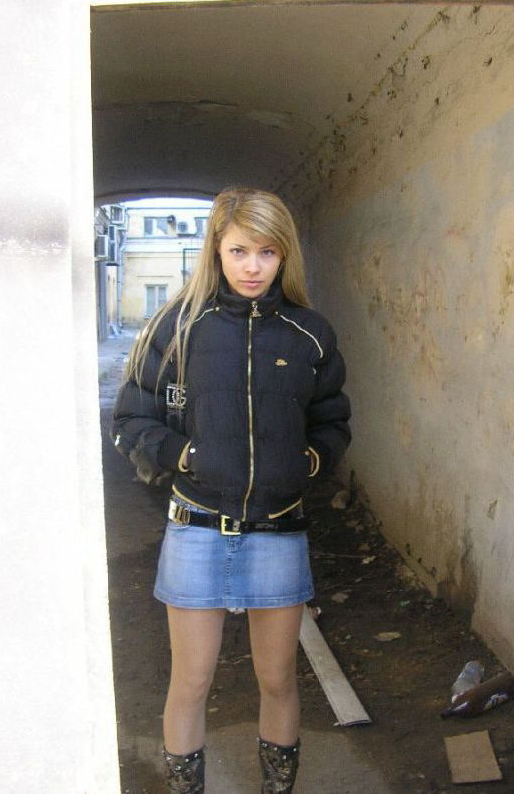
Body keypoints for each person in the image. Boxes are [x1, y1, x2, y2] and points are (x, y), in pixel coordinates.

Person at [111, 186, 351, 793]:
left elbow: (332, 420)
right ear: (216, 249)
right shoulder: (177, 327)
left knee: (278, 680)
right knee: (191, 681)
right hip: (196, 528)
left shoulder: (309, 335)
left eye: (267, 252)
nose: (252, 267)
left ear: (284, 255)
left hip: (278, 530)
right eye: (239, 250)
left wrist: (307, 462)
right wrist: (186, 454)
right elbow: (132, 418)